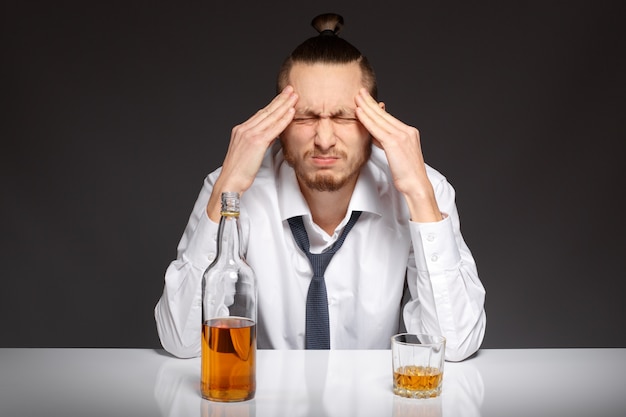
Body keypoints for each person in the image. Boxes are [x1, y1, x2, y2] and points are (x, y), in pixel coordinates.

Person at [155, 13, 486, 362]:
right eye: (305, 117)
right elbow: (181, 340)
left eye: (343, 117)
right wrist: (227, 186)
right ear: (278, 124)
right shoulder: (232, 189)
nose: (324, 140)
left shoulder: (424, 190)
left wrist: (420, 195)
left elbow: (456, 344)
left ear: (377, 123)